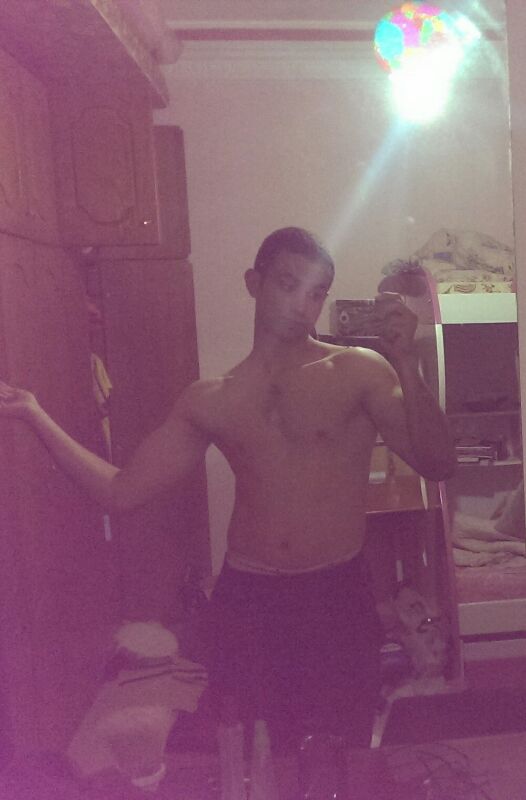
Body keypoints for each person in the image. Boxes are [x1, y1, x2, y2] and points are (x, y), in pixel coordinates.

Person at [0, 227, 455, 758]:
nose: (302, 305)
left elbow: (437, 463)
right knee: (252, 752)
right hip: (249, 599)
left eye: (316, 292)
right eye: (287, 284)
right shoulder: (211, 398)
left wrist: (407, 364)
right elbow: (121, 492)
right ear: (254, 283)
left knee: (345, 748)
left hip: (336, 592)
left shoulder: (359, 370)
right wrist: (34, 414)